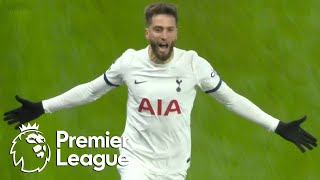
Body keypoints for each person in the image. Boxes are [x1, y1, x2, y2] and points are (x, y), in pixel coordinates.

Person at [3, 2, 317, 180]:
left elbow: (231, 99)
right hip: (135, 161)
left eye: (169, 29)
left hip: (175, 166)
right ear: (148, 32)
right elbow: (90, 91)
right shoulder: (129, 62)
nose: (163, 36)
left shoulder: (193, 64)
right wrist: (43, 107)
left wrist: (276, 126)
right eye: (157, 29)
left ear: (176, 32)